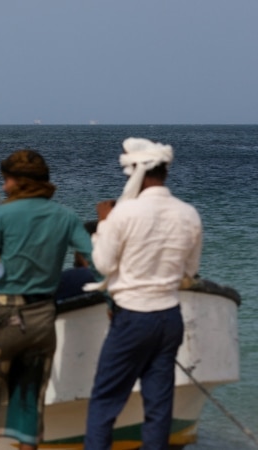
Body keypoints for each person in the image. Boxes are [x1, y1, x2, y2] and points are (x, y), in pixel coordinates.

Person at [0, 149, 93, 450]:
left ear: (19, 182)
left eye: (8, 179)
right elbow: (97, 260)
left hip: (5, 318)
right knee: (30, 403)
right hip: (42, 320)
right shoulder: (65, 216)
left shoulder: (1, 215)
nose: (5, 185)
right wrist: (114, 302)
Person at [83, 138, 201, 450]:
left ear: (137, 171)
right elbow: (189, 270)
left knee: (105, 401)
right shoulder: (188, 214)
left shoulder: (124, 214)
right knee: (159, 405)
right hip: (170, 317)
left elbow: (103, 264)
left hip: (133, 317)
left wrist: (103, 226)